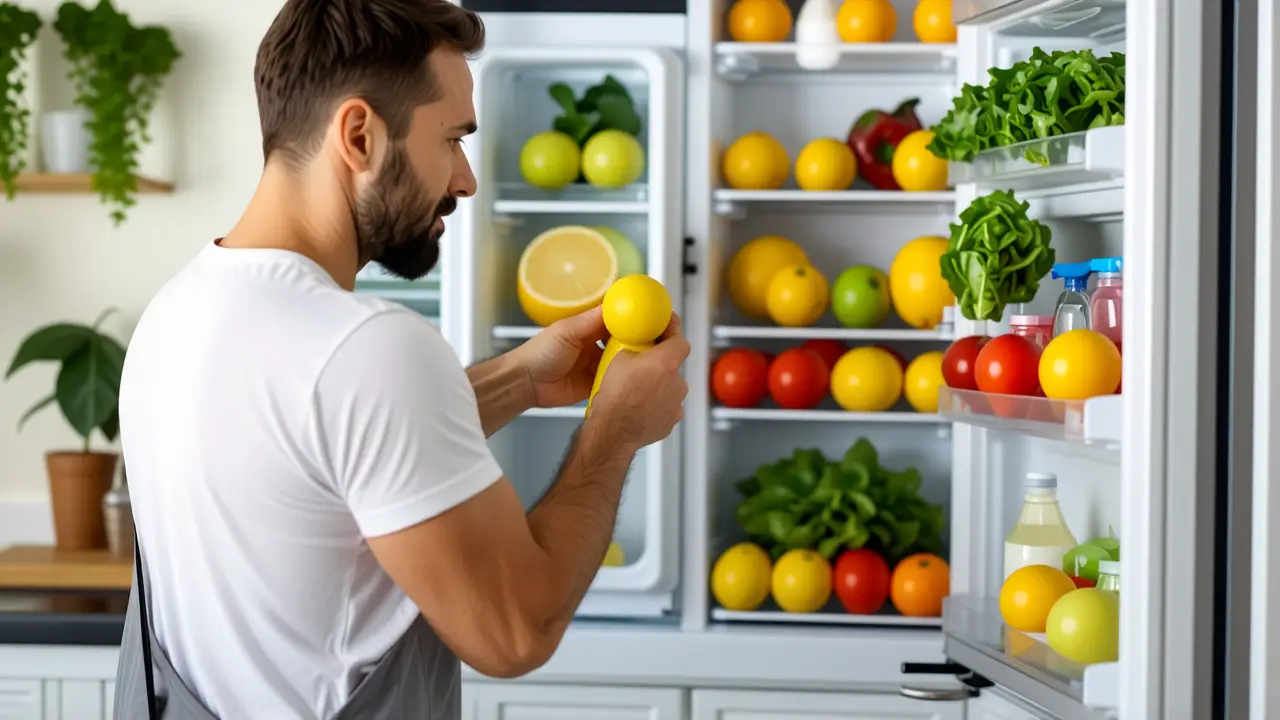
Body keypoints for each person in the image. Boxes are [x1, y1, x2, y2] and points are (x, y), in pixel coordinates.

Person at [112, 1, 690, 718]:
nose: (466, 179)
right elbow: (516, 631)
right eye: (451, 139)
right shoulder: (367, 345)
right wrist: (616, 428)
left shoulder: (178, 313)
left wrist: (520, 378)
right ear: (359, 134)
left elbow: (320, 454)